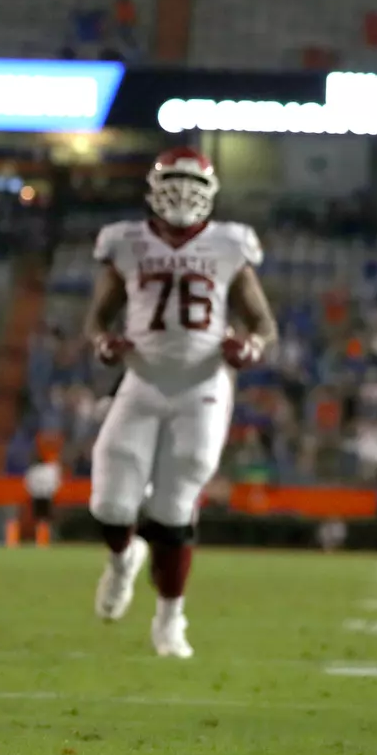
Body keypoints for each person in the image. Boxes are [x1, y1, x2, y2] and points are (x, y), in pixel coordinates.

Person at [84, 146, 277, 658]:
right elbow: (97, 318)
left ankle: (171, 619)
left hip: (203, 385)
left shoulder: (230, 244)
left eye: (194, 184)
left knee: (174, 508)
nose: (184, 193)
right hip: (142, 379)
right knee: (108, 504)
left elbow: (264, 323)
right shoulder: (125, 241)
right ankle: (124, 560)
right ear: (152, 187)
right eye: (174, 181)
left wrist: (252, 345)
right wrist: (103, 341)